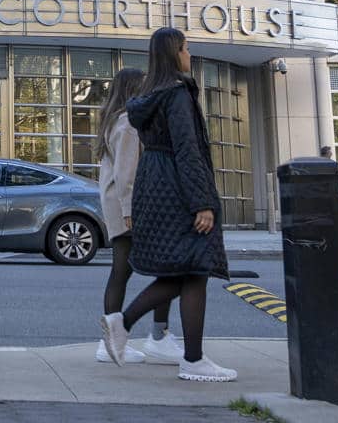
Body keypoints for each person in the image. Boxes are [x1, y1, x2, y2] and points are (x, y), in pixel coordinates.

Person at [98, 27, 236, 382]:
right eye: (187, 49)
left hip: (155, 187)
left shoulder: (150, 99)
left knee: (186, 270)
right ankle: (172, 348)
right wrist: (202, 202)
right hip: (177, 188)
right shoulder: (177, 94)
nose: (191, 55)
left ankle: (175, 348)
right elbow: (188, 149)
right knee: (195, 266)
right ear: (175, 53)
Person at [94, 66, 177, 364]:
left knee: (124, 270)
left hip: (121, 205)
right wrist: (130, 210)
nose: (148, 91)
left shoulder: (115, 119)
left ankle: (130, 339)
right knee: (162, 267)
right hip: (128, 207)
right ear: (132, 89)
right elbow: (126, 172)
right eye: (143, 86)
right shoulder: (129, 122)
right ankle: (153, 337)